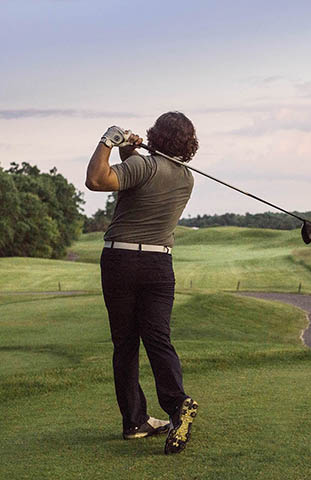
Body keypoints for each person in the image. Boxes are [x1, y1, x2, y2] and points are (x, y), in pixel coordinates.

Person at [85, 112, 199, 454]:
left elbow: (96, 180)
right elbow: (140, 176)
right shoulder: (186, 178)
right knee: (158, 338)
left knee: (125, 343)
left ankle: (134, 420)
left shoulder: (145, 167)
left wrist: (109, 140)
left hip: (121, 262)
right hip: (159, 264)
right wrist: (128, 152)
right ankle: (177, 404)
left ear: (155, 135)